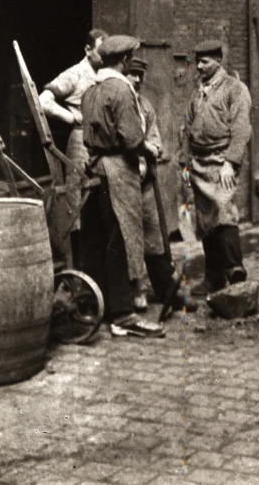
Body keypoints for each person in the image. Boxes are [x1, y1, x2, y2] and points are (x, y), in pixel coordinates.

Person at [81, 35, 165, 338]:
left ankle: (94, 304)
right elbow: (131, 138)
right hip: (117, 170)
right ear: (126, 60)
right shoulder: (121, 90)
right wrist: (149, 151)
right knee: (121, 238)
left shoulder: (91, 89)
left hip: (93, 168)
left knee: (96, 238)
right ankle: (123, 315)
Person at [182, 40, 252, 297]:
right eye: (197, 61)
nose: (199, 66)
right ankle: (213, 277)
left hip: (221, 160)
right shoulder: (198, 91)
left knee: (223, 211)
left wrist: (230, 163)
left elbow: (242, 129)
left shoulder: (235, 89)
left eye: (205, 61)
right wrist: (184, 162)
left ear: (219, 61)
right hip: (198, 162)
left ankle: (235, 270)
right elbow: (187, 129)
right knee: (205, 219)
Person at [126, 56, 193, 314]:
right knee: (128, 240)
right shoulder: (119, 103)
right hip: (123, 181)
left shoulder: (145, 106)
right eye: (133, 73)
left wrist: (151, 151)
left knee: (155, 235)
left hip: (144, 182)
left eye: (140, 75)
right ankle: (134, 292)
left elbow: (155, 140)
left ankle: (167, 290)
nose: (137, 79)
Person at [39, 28, 108, 263]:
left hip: (100, 143)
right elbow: (43, 101)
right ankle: (74, 263)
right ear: (87, 50)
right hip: (80, 142)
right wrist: (71, 118)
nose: (104, 56)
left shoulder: (104, 73)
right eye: (100, 52)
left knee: (97, 201)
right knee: (74, 201)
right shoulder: (75, 74)